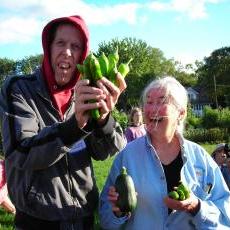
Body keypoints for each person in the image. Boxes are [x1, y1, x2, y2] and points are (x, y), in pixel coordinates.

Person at [0, 15, 127, 230]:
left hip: (83, 217)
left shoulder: (87, 91)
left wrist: (103, 119)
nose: (67, 52)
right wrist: (73, 126)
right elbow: (21, 151)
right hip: (37, 220)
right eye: (60, 43)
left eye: (75, 46)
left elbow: (104, 152)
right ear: (48, 48)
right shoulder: (18, 88)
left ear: (82, 55)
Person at [99, 76, 230, 229]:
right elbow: (105, 217)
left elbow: (225, 215)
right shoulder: (127, 156)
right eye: (148, 102)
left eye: (162, 101)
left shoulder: (200, 158)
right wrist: (117, 212)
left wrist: (196, 206)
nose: (152, 109)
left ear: (181, 113)